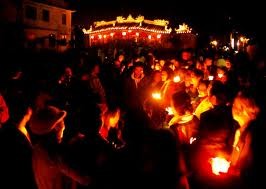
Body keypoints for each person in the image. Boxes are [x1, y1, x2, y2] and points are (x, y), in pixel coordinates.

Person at [29, 105, 90, 189]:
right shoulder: (54, 154)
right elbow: (84, 179)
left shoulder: (37, 149)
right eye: (61, 124)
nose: (63, 127)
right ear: (55, 128)